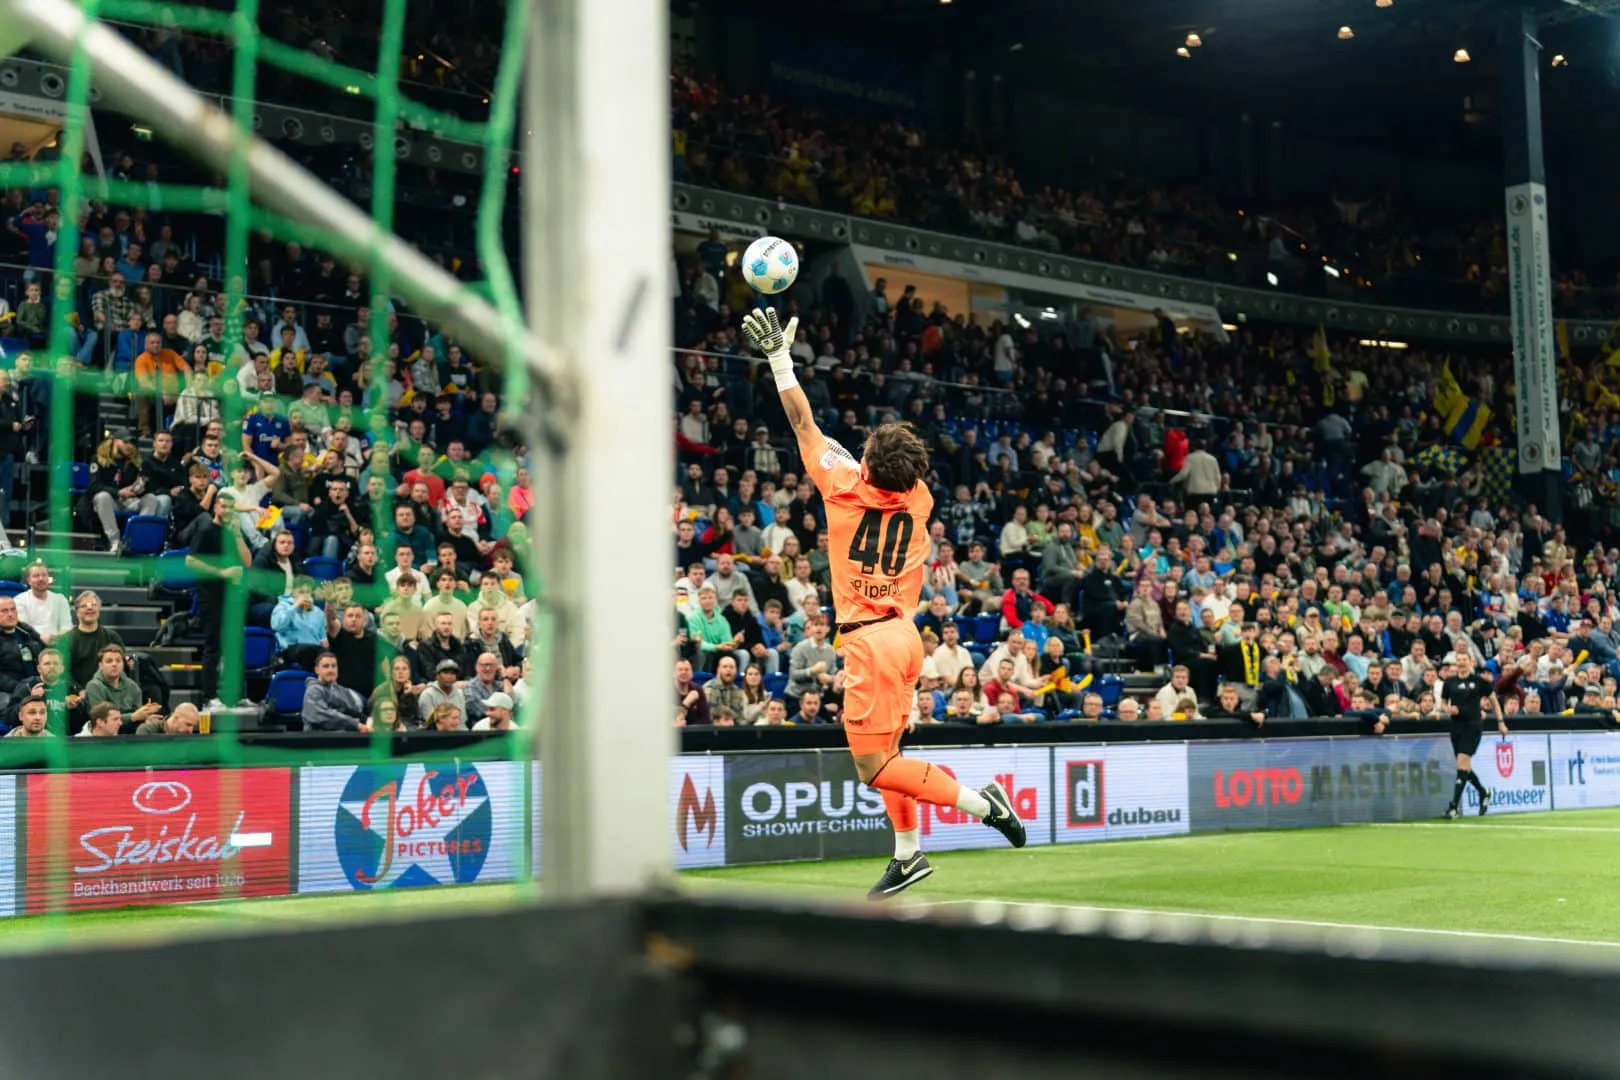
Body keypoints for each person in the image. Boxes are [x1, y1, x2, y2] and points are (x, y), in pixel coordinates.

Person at [743, 305, 1024, 902]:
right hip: (905, 635)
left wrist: (779, 359)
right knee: (892, 755)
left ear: (867, 465)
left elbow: (803, 422)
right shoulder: (919, 498)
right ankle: (907, 854)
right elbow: (868, 458)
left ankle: (984, 804)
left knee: (874, 768)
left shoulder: (842, 488)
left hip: (869, 641)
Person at [1441, 652, 1508, 819]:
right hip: (1456, 726)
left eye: (1464, 660)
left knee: (1462, 762)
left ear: (1470, 662)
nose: (1461, 662)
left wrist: (1500, 721)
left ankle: (1453, 807)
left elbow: (1494, 700)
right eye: (1459, 660)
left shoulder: (1479, 681)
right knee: (1463, 766)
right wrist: (1448, 709)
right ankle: (1483, 792)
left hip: (1473, 726)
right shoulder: (1449, 682)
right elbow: (1443, 702)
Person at [301, 650, 368, 732]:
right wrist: (357, 724)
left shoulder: (340, 689)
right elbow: (322, 715)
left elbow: (352, 710)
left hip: (343, 735)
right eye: (326, 666)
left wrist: (367, 721)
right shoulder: (313, 691)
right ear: (317, 670)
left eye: (334, 666)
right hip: (319, 737)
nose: (331, 670)